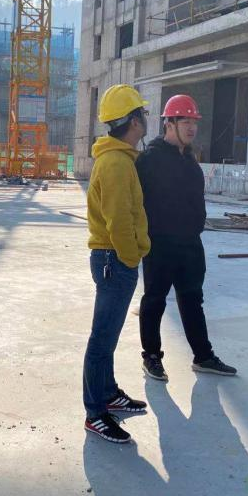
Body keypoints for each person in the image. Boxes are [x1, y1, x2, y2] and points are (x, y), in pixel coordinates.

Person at [136, 94, 237, 381]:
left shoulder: (190, 160)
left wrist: (195, 228)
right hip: (160, 244)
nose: (192, 128)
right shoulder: (150, 159)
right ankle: (151, 357)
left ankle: (203, 356)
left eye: (194, 122)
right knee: (155, 300)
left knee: (192, 299)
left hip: (190, 244)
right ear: (169, 123)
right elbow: (138, 203)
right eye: (185, 122)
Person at [83, 84, 152, 444]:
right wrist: (131, 255)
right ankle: (96, 413)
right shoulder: (114, 163)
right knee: (101, 339)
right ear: (134, 121)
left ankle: (108, 394)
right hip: (114, 258)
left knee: (108, 336)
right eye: (143, 113)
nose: (146, 120)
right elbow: (118, 220)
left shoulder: (120, 159)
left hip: (115, 258)